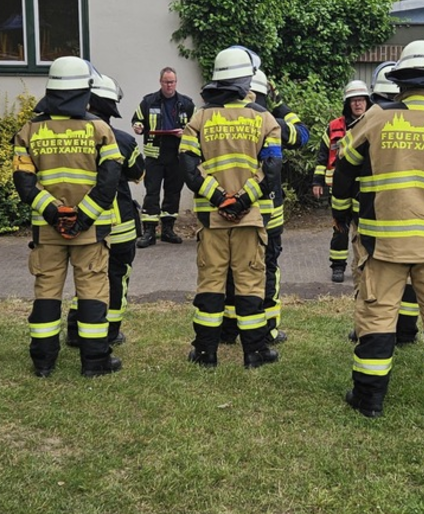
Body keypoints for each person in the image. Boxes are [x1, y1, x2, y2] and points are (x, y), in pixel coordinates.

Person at [332, 40, 424, 418]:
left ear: (401, 81)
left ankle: (369, 401)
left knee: (377, 317)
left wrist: (342, 213)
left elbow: (344, 169)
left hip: (384, 245)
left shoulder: (377, 117)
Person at [12, 56, 123, 377]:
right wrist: (82, 218)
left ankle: (43, 363)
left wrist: (53, 212)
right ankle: (95, 362)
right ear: (84, 91)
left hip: (47, 231)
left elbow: (24, 182)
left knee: (47, 292)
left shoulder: (29, 131)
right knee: (92, 292)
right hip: (89, 233)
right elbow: (109, 180)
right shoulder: (100, 129)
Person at [179, 47, 282, 369]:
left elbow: (187, 165)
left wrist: (219, 197)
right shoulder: (265, 119)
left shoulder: (199, 118)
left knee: (210, 284)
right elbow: (273, 166)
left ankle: (206, 353)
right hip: (249, 219)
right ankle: (255, 353)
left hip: (212, 220)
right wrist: (242, 199)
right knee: (250, 284)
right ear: (244, 80)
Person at [221, 69, 310, 345]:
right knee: (266, 269)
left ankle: (228, 329)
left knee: (230, 269)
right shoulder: (270, 121)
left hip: (227, 208)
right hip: (267, 210)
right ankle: (268, 329)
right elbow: (303, 134)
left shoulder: (219, 120)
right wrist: (280, 101)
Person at [66, 74, 146, 349]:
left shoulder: (69, 137)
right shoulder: (123, 140)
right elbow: (138, 174)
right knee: (116, 276)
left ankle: (75, 330)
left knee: (86, 275)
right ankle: (110, 332)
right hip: (119, 224)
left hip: (83, 223)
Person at [343, 61, 419, 346]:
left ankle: (369, 330)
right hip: (418, 218)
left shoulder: (372, 120)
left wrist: (343, 209)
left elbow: (347, 166)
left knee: (368, 274)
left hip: (372, 219)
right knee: (412, 275)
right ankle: (407, 330)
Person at [313, 80, 371, 283]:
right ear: (348, 103)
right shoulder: (334, 127)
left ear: (367, 101)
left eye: (361, 100)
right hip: (337, 187)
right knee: (340, 226)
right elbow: (322, 157)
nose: (358, 104)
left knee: (363, 228)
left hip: (363, 186)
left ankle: (363, 265)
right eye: (354, 100)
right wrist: (317, 182)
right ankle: (338, 267)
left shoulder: (373, 123)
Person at [132, 66, 196, 247]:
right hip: (154, 155)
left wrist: (185, 133)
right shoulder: (149, 101)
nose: (169, 85)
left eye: (172, 82)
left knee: (173, 192)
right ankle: (149, 232)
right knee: (151, 193)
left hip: (176, 154)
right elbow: (137, 119)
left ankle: (168, 229)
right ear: (160, 82)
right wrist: (137, 126)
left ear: (176, 82)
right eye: (167, 82)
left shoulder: (187, 103)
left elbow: (197, 127)